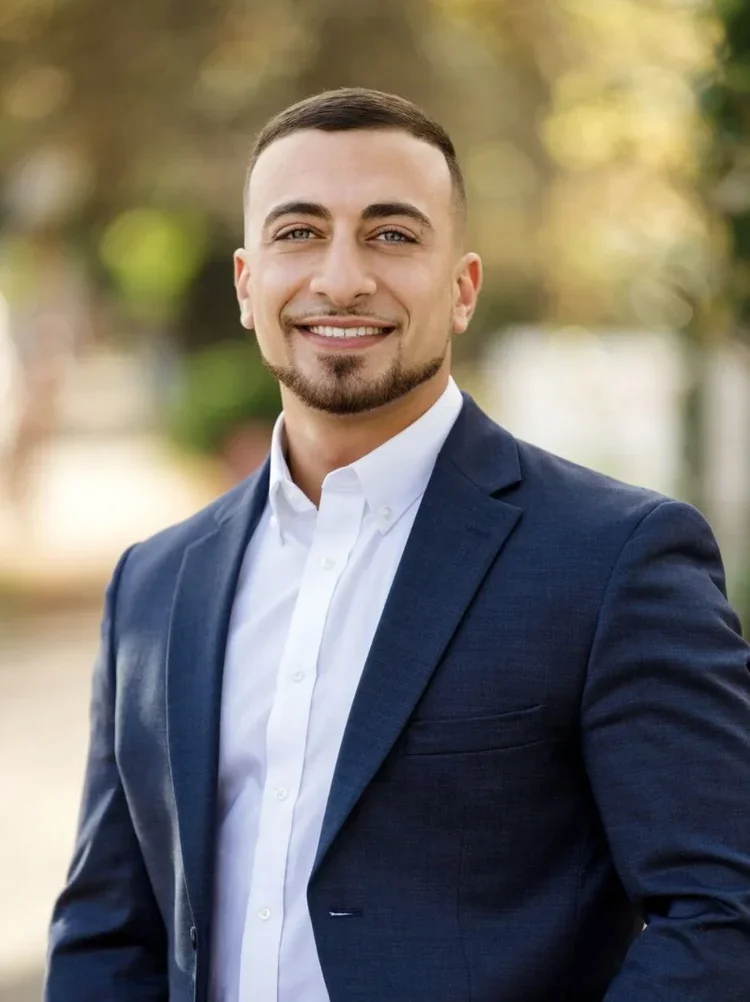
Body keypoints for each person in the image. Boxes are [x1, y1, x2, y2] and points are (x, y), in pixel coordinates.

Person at [44, 88, 750, 1002]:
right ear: (246, 283)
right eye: (299, 233)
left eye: (392, 234)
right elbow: (109, 931)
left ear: (461, 289)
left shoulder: (616, 560)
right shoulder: (154, 583)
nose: (341, 278)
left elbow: (721, 910)